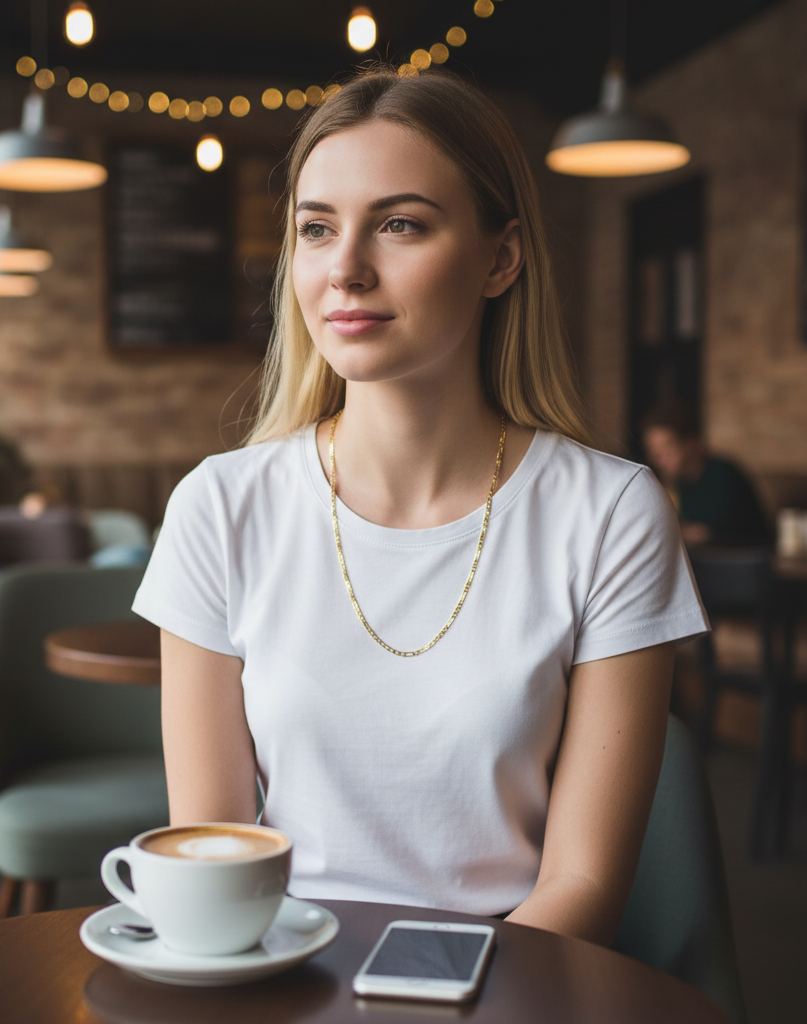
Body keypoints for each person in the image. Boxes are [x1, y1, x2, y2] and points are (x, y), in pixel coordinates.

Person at [133, 68, 708, 946]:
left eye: (399, 224)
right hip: (282, 972)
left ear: (500, 258)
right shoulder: (220, 506)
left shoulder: (612, 513)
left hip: (514, 970)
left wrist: (427, 997)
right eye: (316, 229)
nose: (346, 269)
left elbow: (584, 882)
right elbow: (216, 851)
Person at [641, 403, 771, 548]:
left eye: (666, 448)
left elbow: (705, 533)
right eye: (652, 450)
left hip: (743, 561)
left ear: (692, 443)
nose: (657, 458)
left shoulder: (723, 474)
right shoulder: (671, 480)